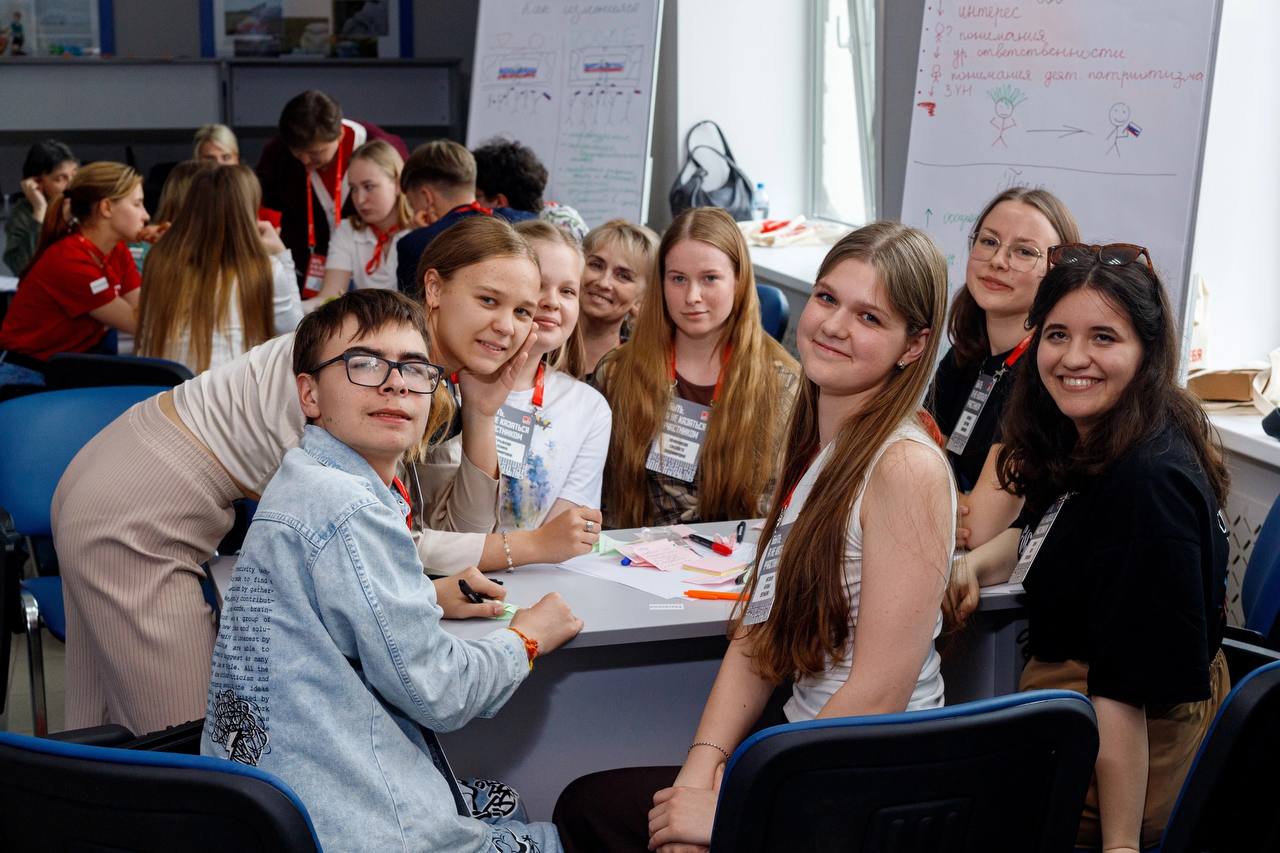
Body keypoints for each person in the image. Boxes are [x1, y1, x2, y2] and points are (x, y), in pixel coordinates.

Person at [554, 221, 957, 851]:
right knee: (594, 808)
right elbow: (759, 632)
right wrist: (700, 772)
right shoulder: (819, 441)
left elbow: (880, 690)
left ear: (915, 345)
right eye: (827, 298)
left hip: (863, 784)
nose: (834, 325)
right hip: (806, 754)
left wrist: (738, 809)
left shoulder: (905, 465)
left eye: (869, 317)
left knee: (598, 814)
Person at [201, 289, 581, 852]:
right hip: (350, 826)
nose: (396, 384)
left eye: (414, 368)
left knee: (505, 801)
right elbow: (441, 693)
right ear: (309, 393)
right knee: (573, 826)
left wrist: (428, 596)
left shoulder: (309, 475)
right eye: (364, 363)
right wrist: (526, 638)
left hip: (279, 806)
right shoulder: (348, 505)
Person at [956, 243, 1231, 851]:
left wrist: (1120, 846)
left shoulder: (1146, 486)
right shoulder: (1104, 431)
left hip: (1121, 759)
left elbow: (1121, 695)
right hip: (1085, 719)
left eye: (1103, 337)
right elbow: (1046, 533)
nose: (1073, 358)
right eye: (1057, 335)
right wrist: (973, 564)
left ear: (1146, 351)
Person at [412, 215, 604, 564]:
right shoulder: (410, 377)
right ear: (434, 288)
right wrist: (532, 546)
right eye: (489, 299)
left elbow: (462, 536)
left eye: (521, 310)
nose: (505, 325)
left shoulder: (587, 405)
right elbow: (385, 541)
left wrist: (480, 414)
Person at [593, 206, 799, 528]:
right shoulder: (617, 373)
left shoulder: (784, 384)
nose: (692, 296)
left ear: (739, 281)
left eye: (710, 278)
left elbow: (778, 514)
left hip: (736, 556)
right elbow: (604, 503)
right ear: (661, 283)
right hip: (631, 554)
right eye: (678, 279)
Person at [928, 187, 1080, 549]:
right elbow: (910, 463)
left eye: (1024, 252)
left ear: (1057, 273)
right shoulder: (965, 353)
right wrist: (936, 499)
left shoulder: (1048, 375)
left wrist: (926, 498)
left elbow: (977, 529)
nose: (998, 261)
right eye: (989, 241)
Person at [497, 220, 610, 529]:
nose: (552, 301)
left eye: (568, 291)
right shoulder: (453, 386)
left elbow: (563, 534)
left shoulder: (589, 407)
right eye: (538, 285)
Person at [137, 165, 303, 373]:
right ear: (248, 212)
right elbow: (298, 338)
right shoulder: (264, 269)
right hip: (233, 391)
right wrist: (282, 256)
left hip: (163, 387)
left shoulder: (159, 261)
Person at [0, 162, 147, 387]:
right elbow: (141, 324)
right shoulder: (70, 260)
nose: (146, 215)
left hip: (68, 369)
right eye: (137, 204)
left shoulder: (116, 250)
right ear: (106, 208)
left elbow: (145, 310)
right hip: (27, 377)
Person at [255, 90, 408, 293]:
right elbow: (265, 206)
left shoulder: (380, 146)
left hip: (370, 258)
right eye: (298, 153)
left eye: (315, 153)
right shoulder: (277, 153)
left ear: (340, 135)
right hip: (304, 269)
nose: (306, 161)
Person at [395, 140, 534, 295]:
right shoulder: (525, 221)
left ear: (426, 197)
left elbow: (411, 308)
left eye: (411, 203)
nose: (413, 211)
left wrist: (422, 233)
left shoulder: (414, 244)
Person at [303, 139, 414, 308]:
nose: (360, 200)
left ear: (398, 184)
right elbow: (328, 298)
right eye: (353, 189)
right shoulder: (347, 230)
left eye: (369, 187)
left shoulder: (420, 231)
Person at [575, 219, 658, 378]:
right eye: (596, 265)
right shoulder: (537, 347)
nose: (603, 283)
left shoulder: (643, 374)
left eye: (623, 276)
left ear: (644, 296)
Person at [473, 137, 589, 241]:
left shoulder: (507, 239)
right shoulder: (564, 216)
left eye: (477, 196)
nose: (472, 202)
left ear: (499, 202)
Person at [3, 139, 77, 276]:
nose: (71, 184)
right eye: (60, 178)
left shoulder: (87, 205)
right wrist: (40, 210)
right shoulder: (23, 214)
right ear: (37, 182)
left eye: (74, 174)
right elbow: (22, 268)